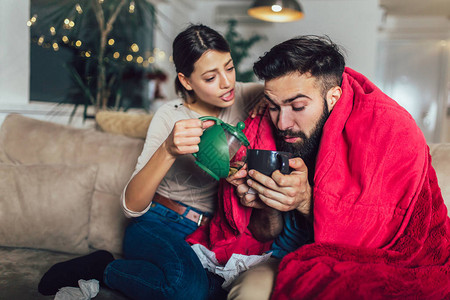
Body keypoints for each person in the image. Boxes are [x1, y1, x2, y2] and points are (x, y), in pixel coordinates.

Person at [37, 24, 264, 300]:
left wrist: (274, 98)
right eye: (210, 77)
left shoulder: (248, 95)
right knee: (189, 291)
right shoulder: (169, 116)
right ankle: (104, 268)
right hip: (159, 223)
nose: (227, 82)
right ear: (186, 81)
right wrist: (168, 149)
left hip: (213, 235)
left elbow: (301, 89)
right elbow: (131, 206)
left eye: (229, 68)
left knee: (226, 287)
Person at [223, 35, 450, 299]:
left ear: (333, 97)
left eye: (297, 106)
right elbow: (265, 233)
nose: (283, 122)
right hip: (283, 257)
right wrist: (266, 202)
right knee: (249, 292)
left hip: (361, 261)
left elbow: (373, 241)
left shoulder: (387, 129)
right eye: (274, 107)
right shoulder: (268, 130)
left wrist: (306, 201)